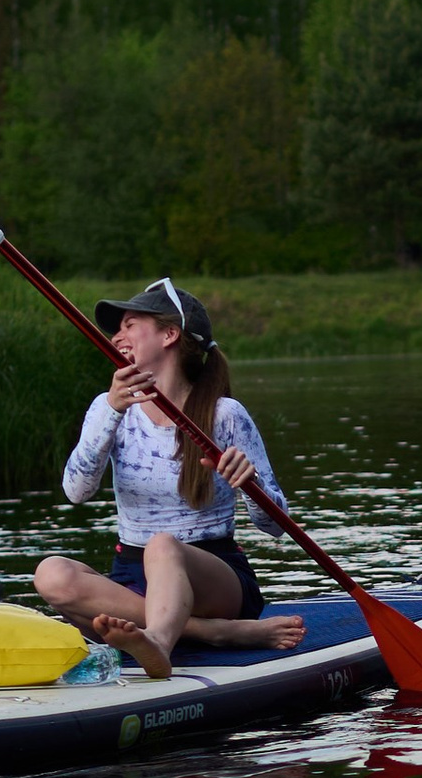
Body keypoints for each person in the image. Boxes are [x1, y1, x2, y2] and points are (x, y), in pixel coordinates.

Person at [35, 277, 306, 675]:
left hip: (214, 576)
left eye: (130, 325)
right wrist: (111, 411)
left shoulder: (225, 414)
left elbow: (275, 527)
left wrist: (252, 486)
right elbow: (76, 492)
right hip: (133, 575)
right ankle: (216, 634)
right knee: (51, 574)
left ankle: (160, 641)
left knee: (163, 545)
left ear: (169, 334)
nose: (116, 336)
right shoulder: (106, 408)